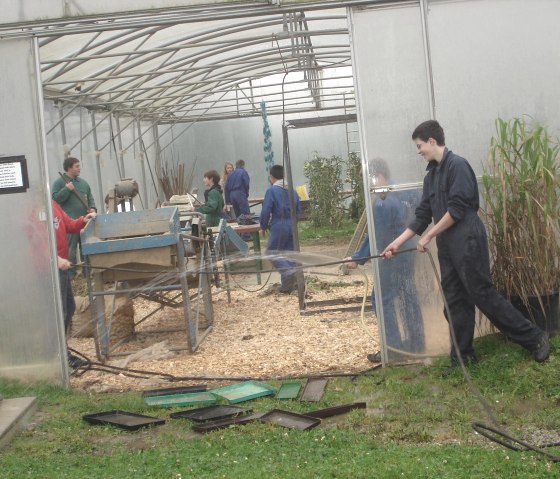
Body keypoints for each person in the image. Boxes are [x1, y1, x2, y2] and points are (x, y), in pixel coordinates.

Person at [382, 120, 549, 371]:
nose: (418, 151)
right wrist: (395, 244)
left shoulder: (457, 166)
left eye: (419, 146)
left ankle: (535, 338)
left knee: (483, 294)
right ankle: (462, 358)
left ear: (431, 141)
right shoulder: (432, 175)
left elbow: (457, 210)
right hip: (448, 243)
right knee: (455, 300)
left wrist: (428, 237)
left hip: (467, 237)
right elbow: (422, 215)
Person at [344, 159, 425, 362]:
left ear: (378, 176)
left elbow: (377, 235)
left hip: (391, 255)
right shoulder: (403, 191)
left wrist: (357, 258)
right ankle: (416, 344)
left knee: (381, 299)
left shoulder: (382, 200)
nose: (370, 184)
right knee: (408, 295)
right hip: (409, 251)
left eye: (370, 179)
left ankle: (393, 349)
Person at [52, 199, 97, 369]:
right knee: (58, 313)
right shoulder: (35, 210)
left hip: (61, 266)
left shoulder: (53, 204)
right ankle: (59, 356)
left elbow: (69, 225)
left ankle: (62, 351)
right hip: (48, 269)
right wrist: (54, 258)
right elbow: (35, 238)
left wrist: (83, 220)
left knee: (69, 308)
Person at [259, 164, 301, 294]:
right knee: (289, 254)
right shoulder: (293, 191)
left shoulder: (271, 191)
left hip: (279, 224)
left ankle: (289, 273)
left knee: (272, 253)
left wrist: (263, 226)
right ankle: (288, 287)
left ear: (271, 177)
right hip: (292, 225)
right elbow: (299, 211)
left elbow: (266, 210)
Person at [52, 157, 96, 273]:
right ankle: (70, 274)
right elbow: (54, 200)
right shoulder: (59, 183)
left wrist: (93, 209)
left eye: (79, 166)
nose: (79, 168)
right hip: (69, 223)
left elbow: (90, 198)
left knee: (85, 247)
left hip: (84, 222)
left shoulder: (83, 183)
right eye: (77, 166)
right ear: (69, 168)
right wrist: (66, 189)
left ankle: (87, 272)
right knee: (70, 249)